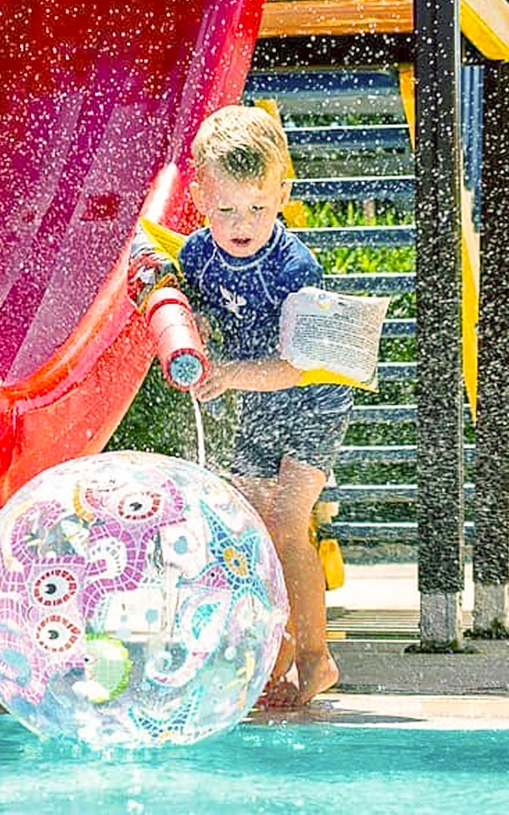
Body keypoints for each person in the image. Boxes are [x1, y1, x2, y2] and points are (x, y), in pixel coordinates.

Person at [177, 104, 351, 708]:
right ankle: (271, 655)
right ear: (199, 195)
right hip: (253, 405)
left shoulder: (294, 267)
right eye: (225, 208)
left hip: (312, 402)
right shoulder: (198, 254)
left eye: (256, 207)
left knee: (285, 524)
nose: (241, 223)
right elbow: (191, 303)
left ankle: (313, 657)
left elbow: (298, 365)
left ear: (283, 192)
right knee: (249, 532)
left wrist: (224, 375)